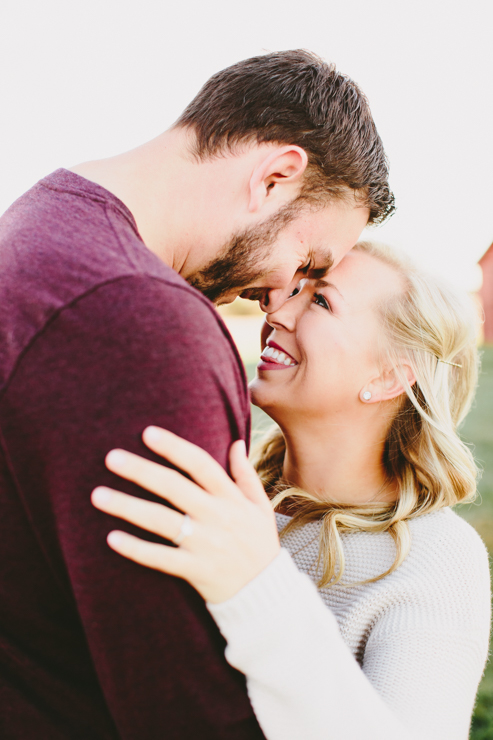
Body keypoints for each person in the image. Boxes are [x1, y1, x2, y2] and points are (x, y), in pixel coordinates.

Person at [0, 51, 393, 739]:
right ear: (275, 176)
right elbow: (185, 699)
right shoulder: (141, 320)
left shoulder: (35, 225)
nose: (280, 297)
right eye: (308, 262)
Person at [92, 242, 491, 740]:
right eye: (294, 290)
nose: (277, 309)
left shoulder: (437, 559)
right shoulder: (230, 493)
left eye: (320, 301)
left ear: (390, 376)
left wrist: (257, 588)